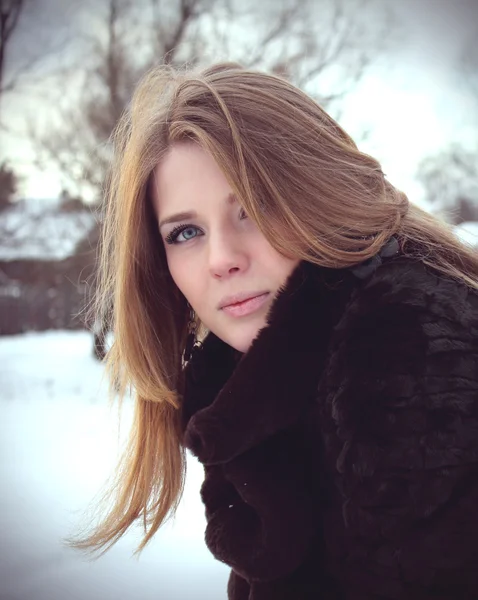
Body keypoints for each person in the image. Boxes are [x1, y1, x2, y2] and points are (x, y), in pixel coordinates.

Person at [73, 62, 478, 599]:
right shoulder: (275, 388)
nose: (222, 259)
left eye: (255, 208)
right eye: (186, 232)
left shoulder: (406, 359)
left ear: (321, 196)